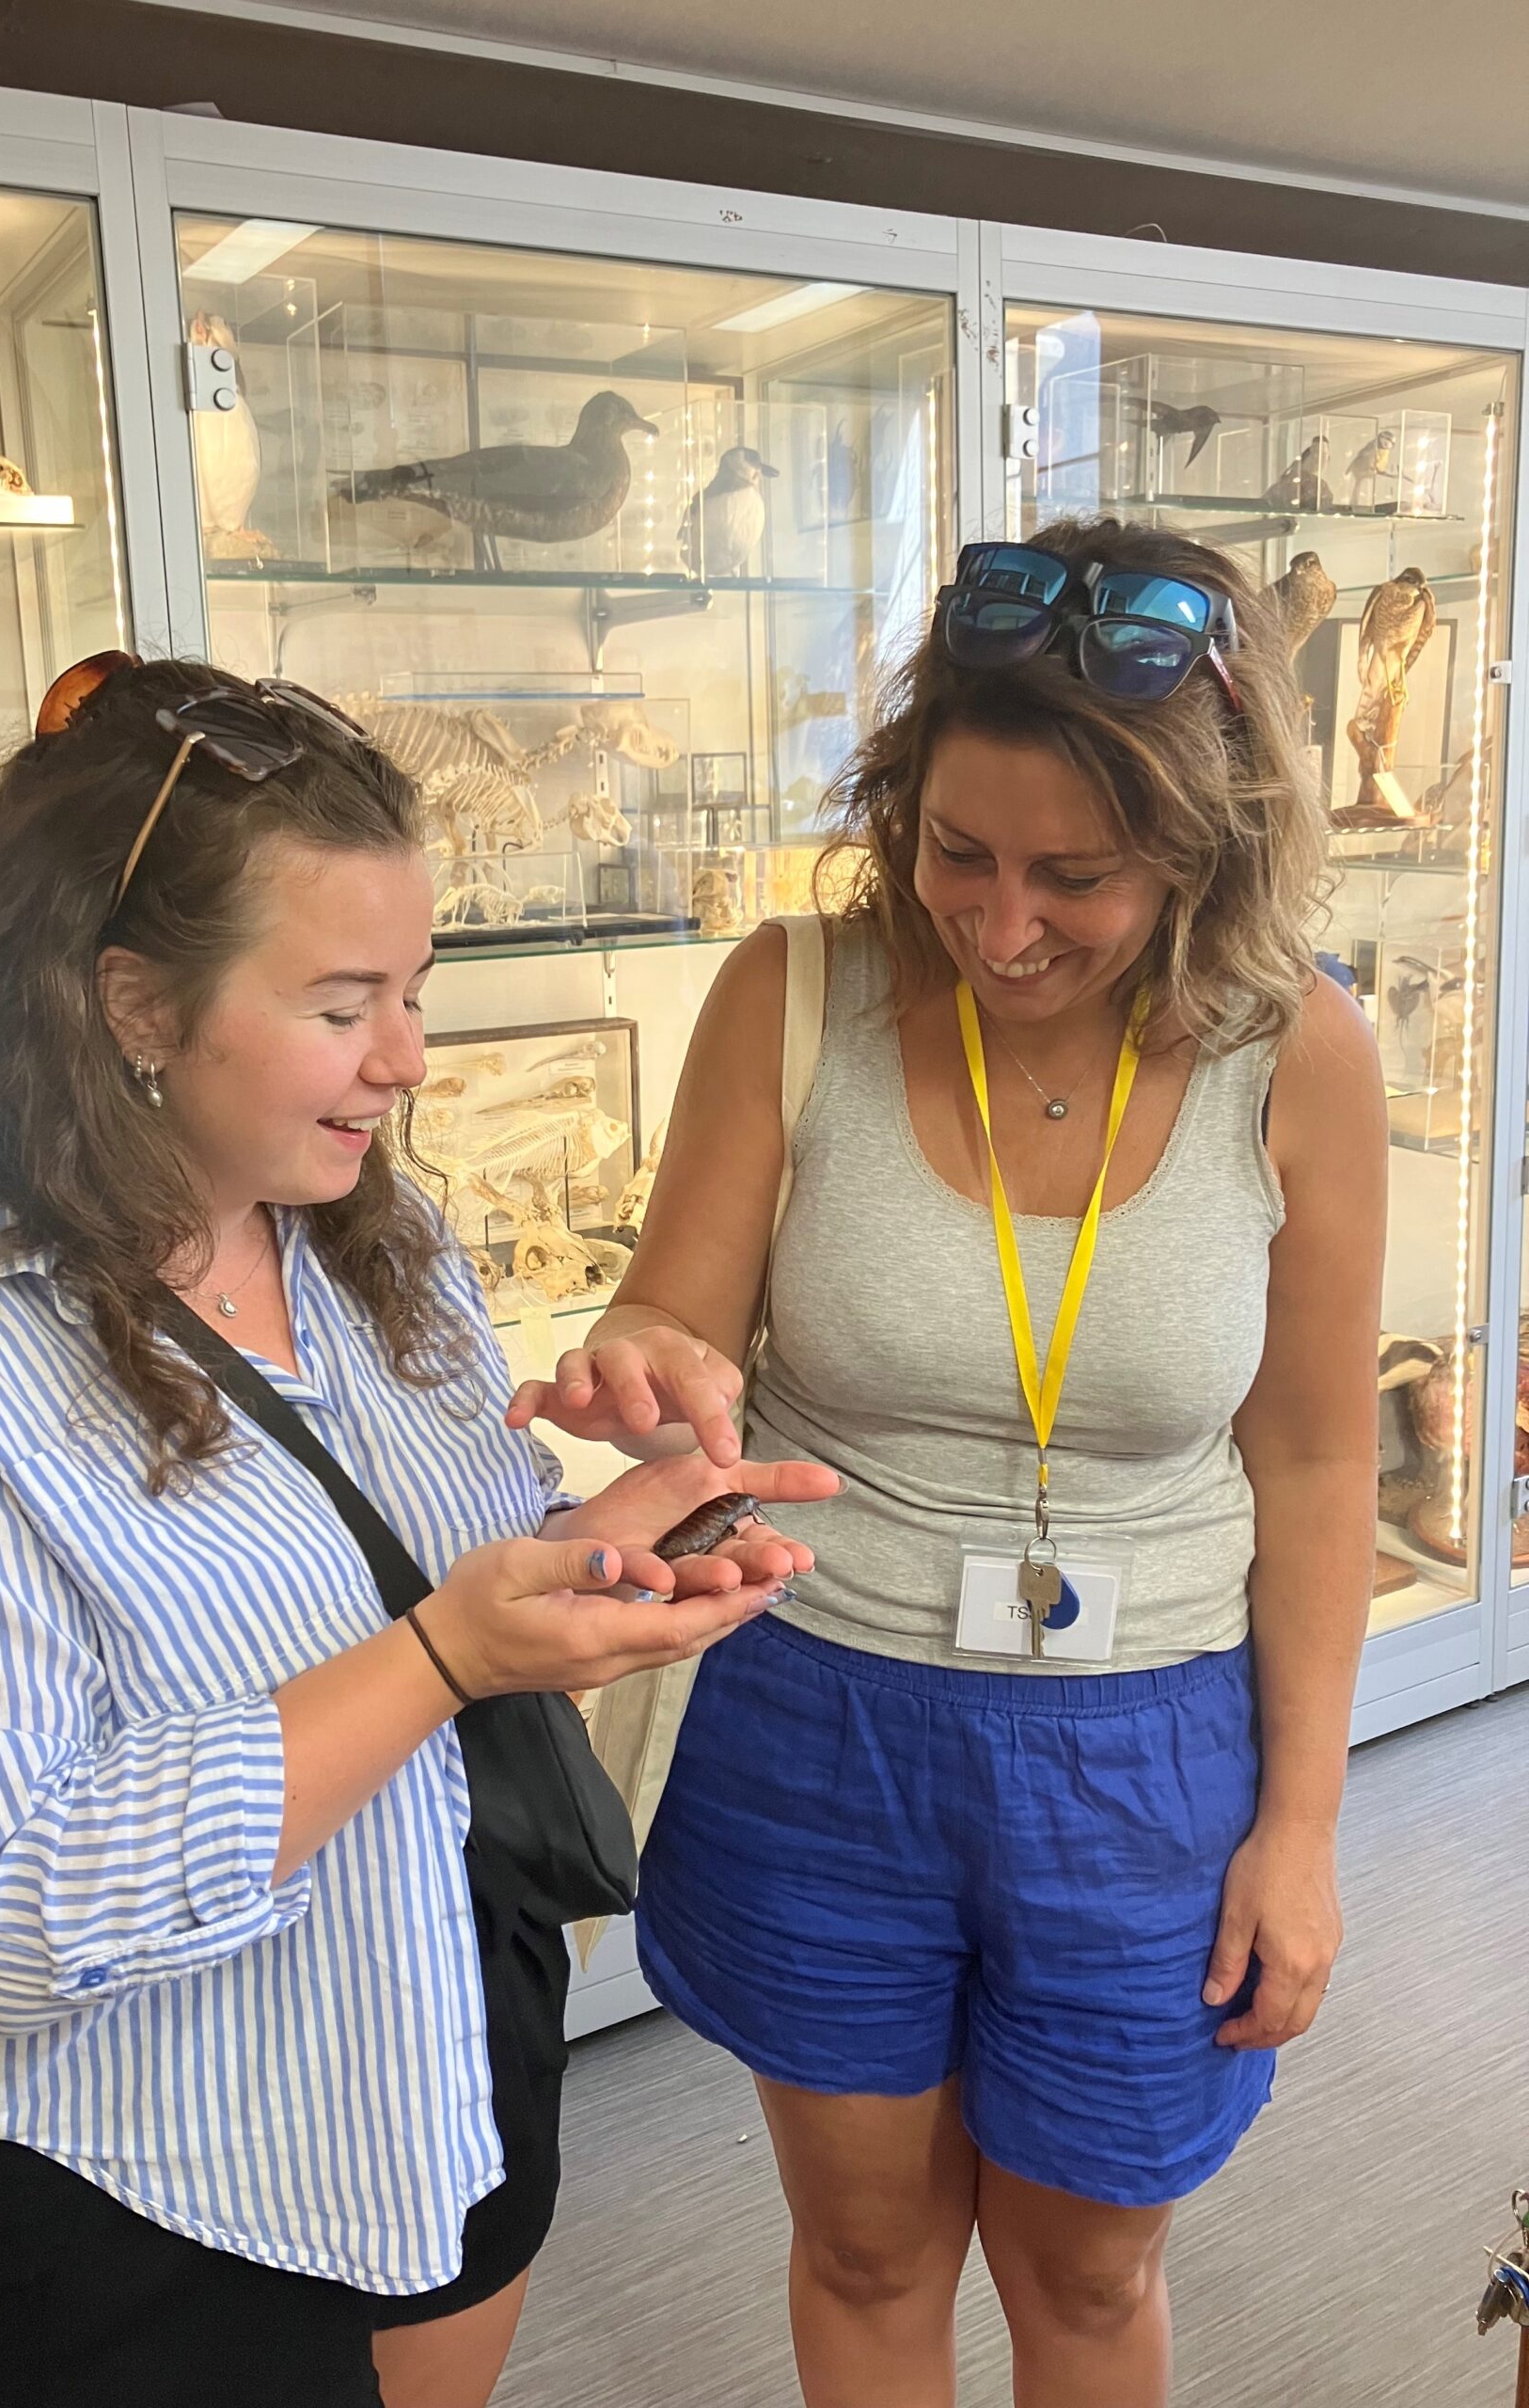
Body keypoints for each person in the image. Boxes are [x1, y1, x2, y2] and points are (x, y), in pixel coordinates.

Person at [0, 654, 837, 2408]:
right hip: (170, 2168)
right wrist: (447, 1655)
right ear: (135, 1006)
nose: (406, 1057)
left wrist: (616, 1528)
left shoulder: (366, 1250)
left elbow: (427, 1575)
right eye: (342, 1002)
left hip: (438, 2031)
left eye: (413, 986)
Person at [508, 519, 1387, 2408]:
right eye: (955, 850)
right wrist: (652, 1364)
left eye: (1079, 874)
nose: (1000, 926)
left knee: (1085, 2271)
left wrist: (1299, 1827)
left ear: (1208, 841)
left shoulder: (1296, 1048)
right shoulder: (794, 994)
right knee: (869, 2241)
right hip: (819, 1719)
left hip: (1150, 1746)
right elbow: (682, 1315)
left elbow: (1314, 1461)